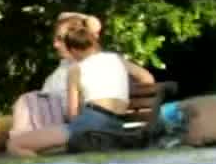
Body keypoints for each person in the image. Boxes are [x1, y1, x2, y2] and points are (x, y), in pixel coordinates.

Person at [0, 12, 152, 161]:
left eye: (61, 39)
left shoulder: (83, 65)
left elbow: (72, 115)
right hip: (47, 117)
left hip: (52, 120)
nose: (56, 44)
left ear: (77, 41)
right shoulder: (80, 63)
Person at [7, 15, 132, 156]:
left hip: (89, 126)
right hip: (116, 127)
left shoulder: (75, 69)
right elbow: (147, 79)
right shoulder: (116, 59)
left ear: (73, 50)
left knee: (15, 144)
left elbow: (73, 115)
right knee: (51, 146)